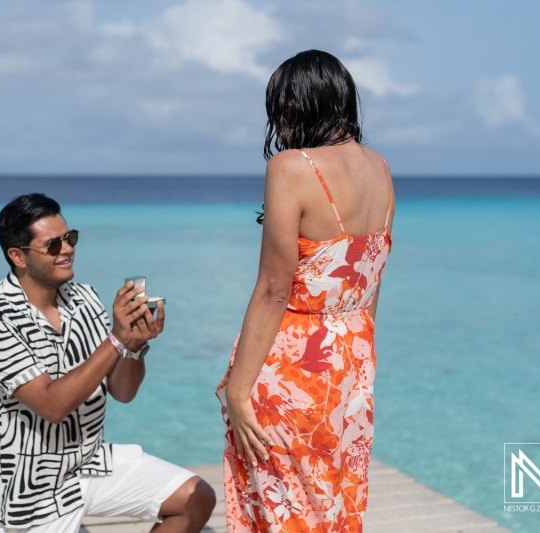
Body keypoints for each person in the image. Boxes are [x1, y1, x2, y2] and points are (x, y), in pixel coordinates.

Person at [215, 50, 395, 532]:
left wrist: (237, 387)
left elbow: (274, 289)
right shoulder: (379, 169)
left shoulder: (292, 166)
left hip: (294, 367)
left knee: (285, 510)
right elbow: (369, 282)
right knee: (335, 502)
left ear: (298, 105)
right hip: (354, 364)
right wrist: (359, 367)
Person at [0, 193, 215, 533]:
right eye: (53, 245)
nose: (67, 249)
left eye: (70, 238)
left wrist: (134, 344)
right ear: (18, 256)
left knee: (197, 497)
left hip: (89, 462)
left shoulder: (85, 299)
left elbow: (123, 392)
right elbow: (52, 405)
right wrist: (115, 339)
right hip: (31, 492)